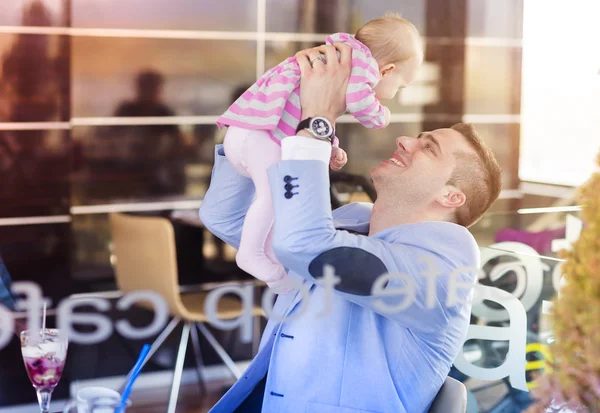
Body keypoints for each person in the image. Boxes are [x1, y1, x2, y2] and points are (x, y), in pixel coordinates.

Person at [199, 43, 502, 413]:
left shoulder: (442, 271)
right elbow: (225, 218)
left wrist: (317, 121)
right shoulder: (350, 225)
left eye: (430, 148)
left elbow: (307, 246)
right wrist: (257, 126)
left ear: (451, 196)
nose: (405, 140)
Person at [213, 13, 423, 294]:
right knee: (274, 196)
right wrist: (380, 116)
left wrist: (330, 143)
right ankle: (251, 254)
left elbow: (307, 110)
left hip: (248, 130)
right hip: (261, 135)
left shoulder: (337, 56)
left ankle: (268, 255)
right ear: (386, 70)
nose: (394, 94)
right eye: (400, 86)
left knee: (270, 201)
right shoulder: (363, 66)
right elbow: (359, 102)